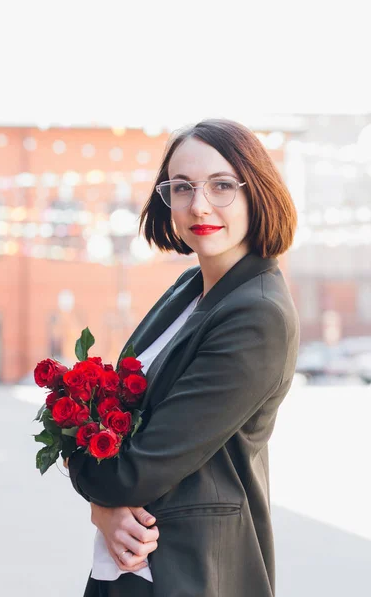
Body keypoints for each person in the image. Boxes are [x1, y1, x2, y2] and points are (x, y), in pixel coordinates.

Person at [67, 118, 300, 597]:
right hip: (130, 566)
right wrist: (102, 500)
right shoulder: (190, 288)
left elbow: (137, 469)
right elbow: (117, 408)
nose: (199, 205)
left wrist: (99, 495)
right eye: (181, 187)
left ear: (256, 191)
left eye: (221, 186)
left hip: (189, 572)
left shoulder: (257, 315)